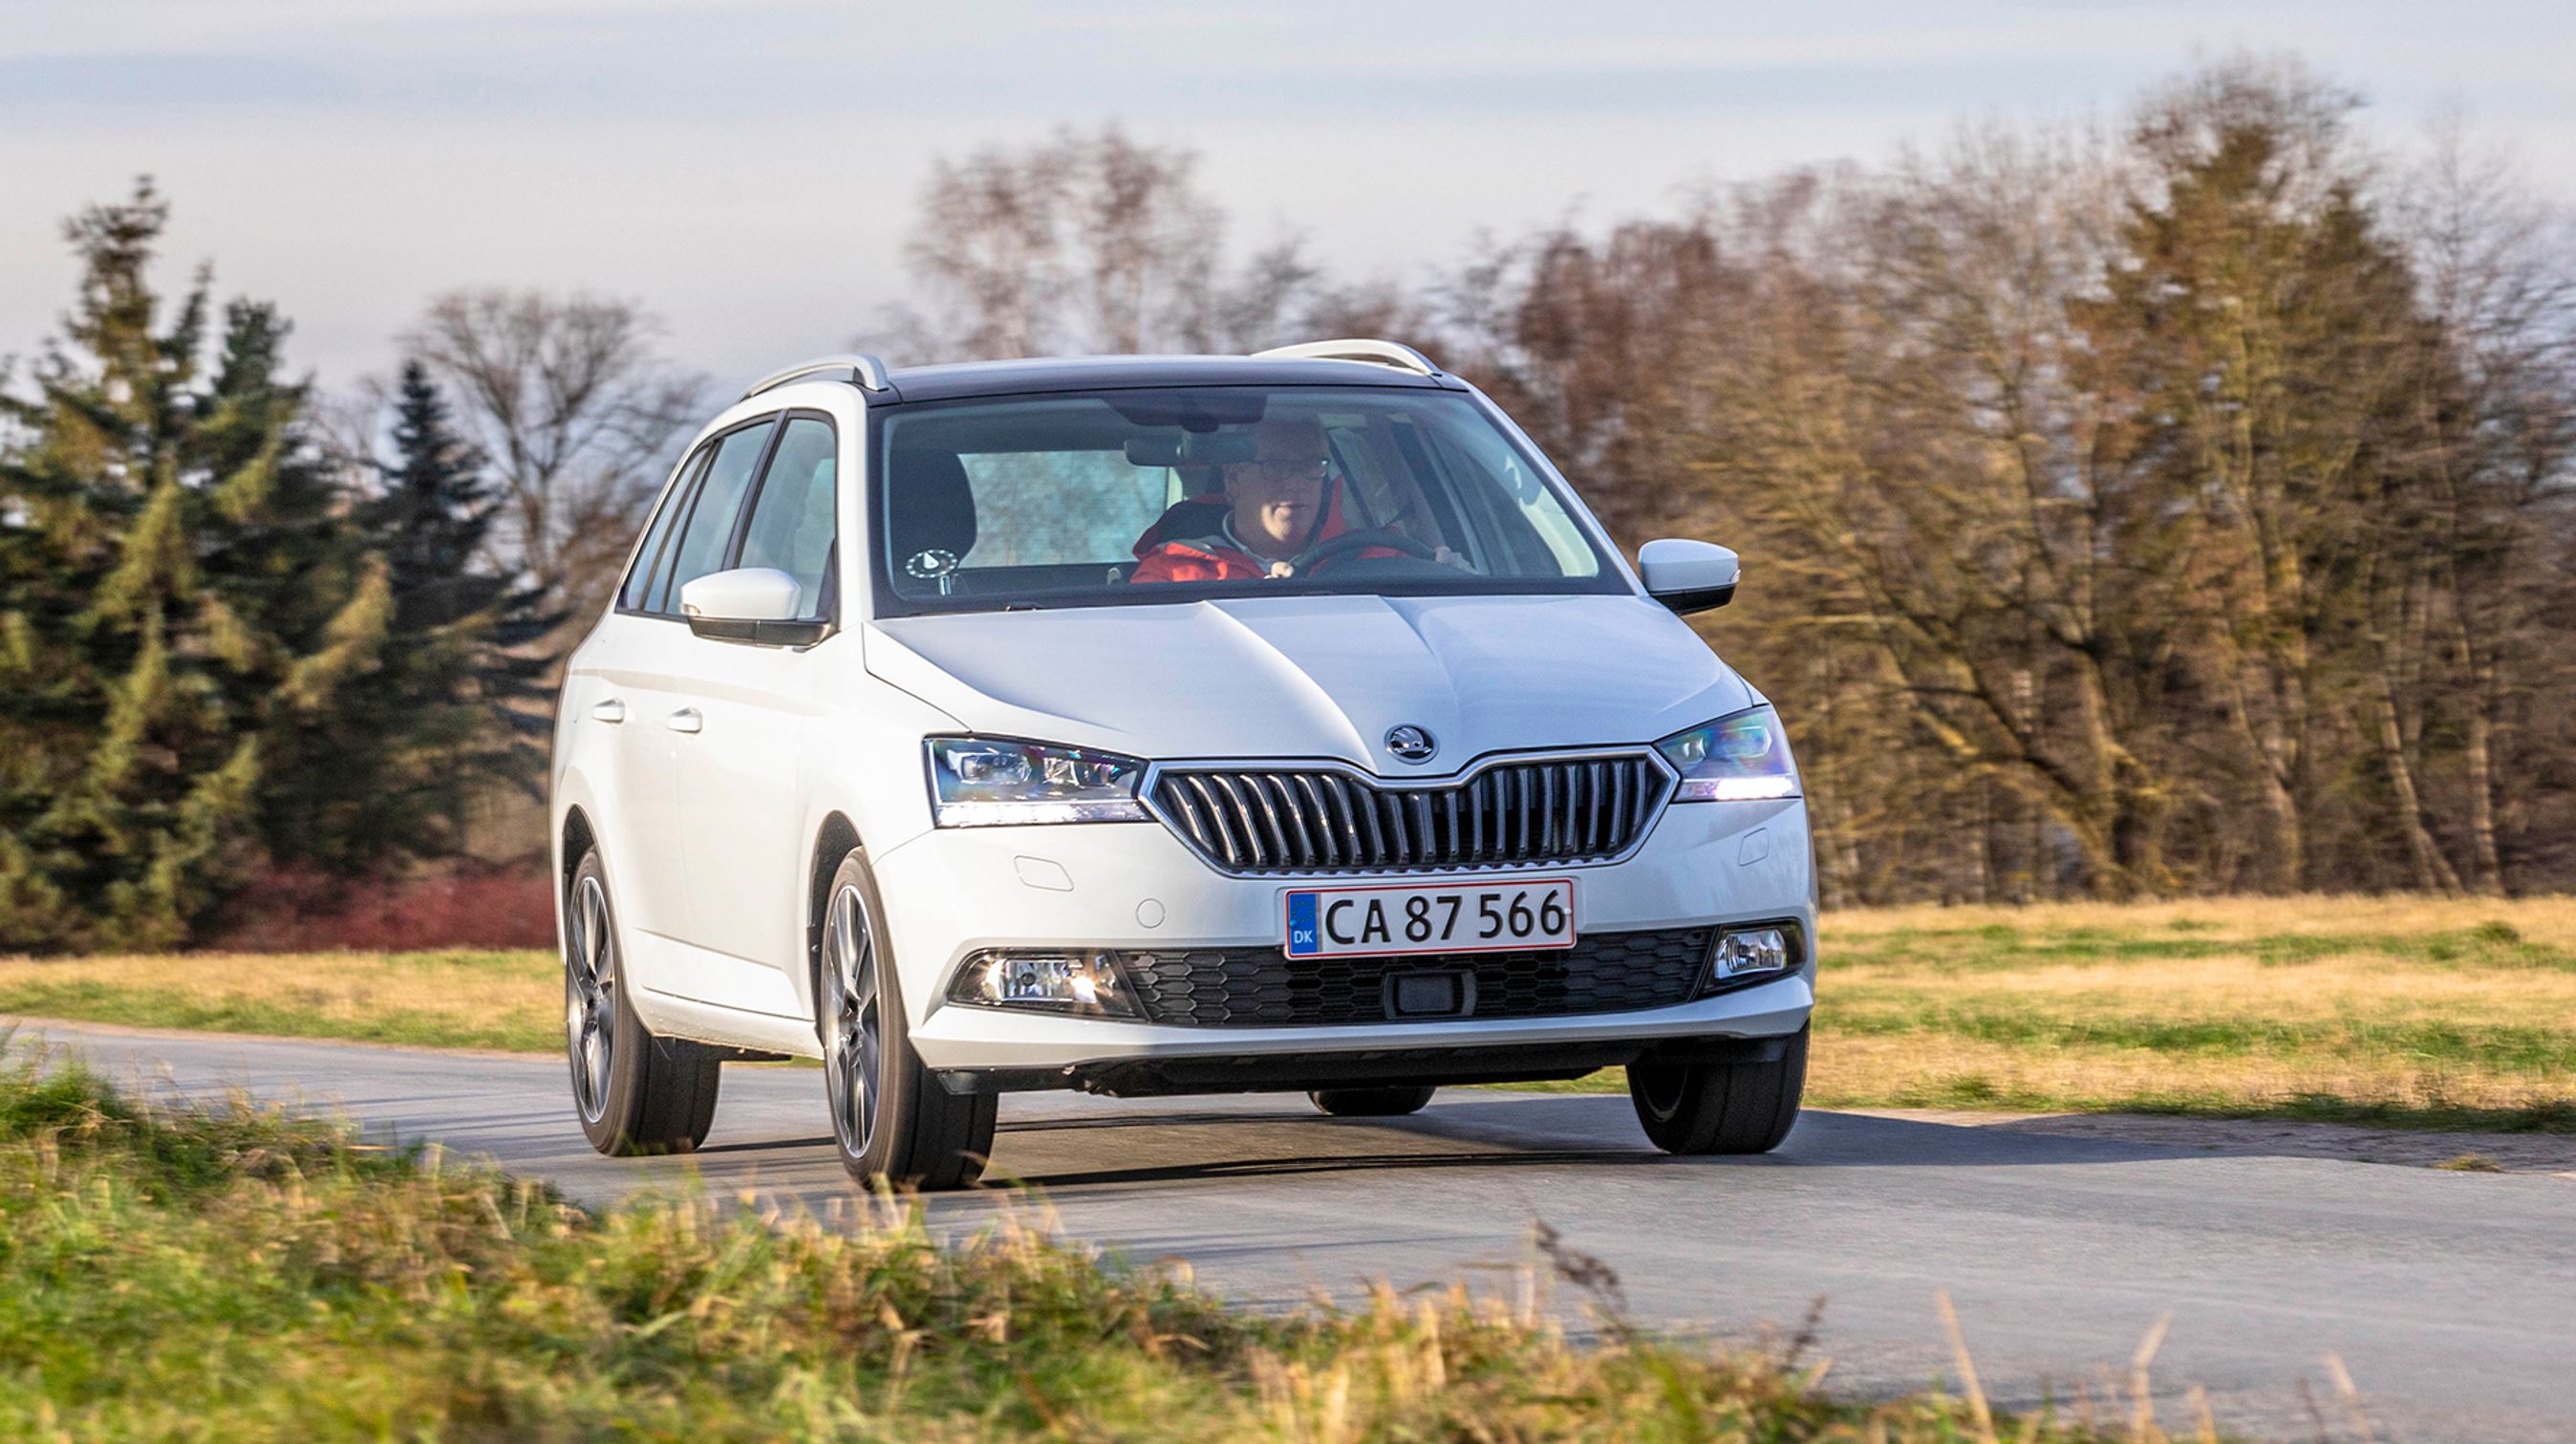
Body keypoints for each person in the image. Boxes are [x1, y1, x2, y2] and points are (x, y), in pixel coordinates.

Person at [1128, 415, 1375, 584]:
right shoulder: (1171, 573)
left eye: (1311, 465)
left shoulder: (1376, 559)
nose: (1296, 483)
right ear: (1233, 478)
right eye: (1276, 466)